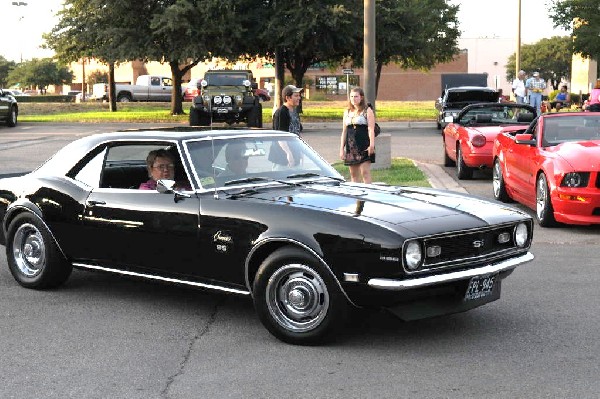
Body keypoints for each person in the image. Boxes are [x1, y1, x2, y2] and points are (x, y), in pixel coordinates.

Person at [339, 87, 376, 183]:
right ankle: (357, 197)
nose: (353, 99)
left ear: (361, 97)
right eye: (351, 96)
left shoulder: (367, 110)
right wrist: (341, 149)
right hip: (351, 146)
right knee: (353, 175)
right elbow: (344, 131)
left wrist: (371, 145)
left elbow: (371, 129)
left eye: (356, 96)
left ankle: (368, 195)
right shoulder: (347, 112)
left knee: (365, 172)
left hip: (364, 145)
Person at [270, 85, 303, 169]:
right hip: (282, 158)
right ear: (288, 97)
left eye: (299, 95)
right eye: (296, 96)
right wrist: (288, 153)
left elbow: (297, 133)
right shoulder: (281, 112)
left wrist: (301, 151)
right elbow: (280, 136)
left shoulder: (295, 112)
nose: (299, 98)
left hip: (295, 154)